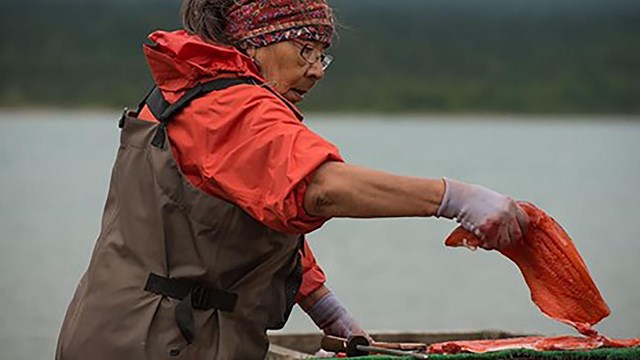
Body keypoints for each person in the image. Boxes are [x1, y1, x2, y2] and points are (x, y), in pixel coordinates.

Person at [56, 0, 529, 359]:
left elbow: (232, 220)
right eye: (305, 49)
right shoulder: (235, 107)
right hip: (163, 342)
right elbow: (318, 187)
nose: (316, 71)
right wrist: (453, 198)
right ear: (255, 40)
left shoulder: (188, 90)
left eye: (324, 56)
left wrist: (325, 307)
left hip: (111, 328)